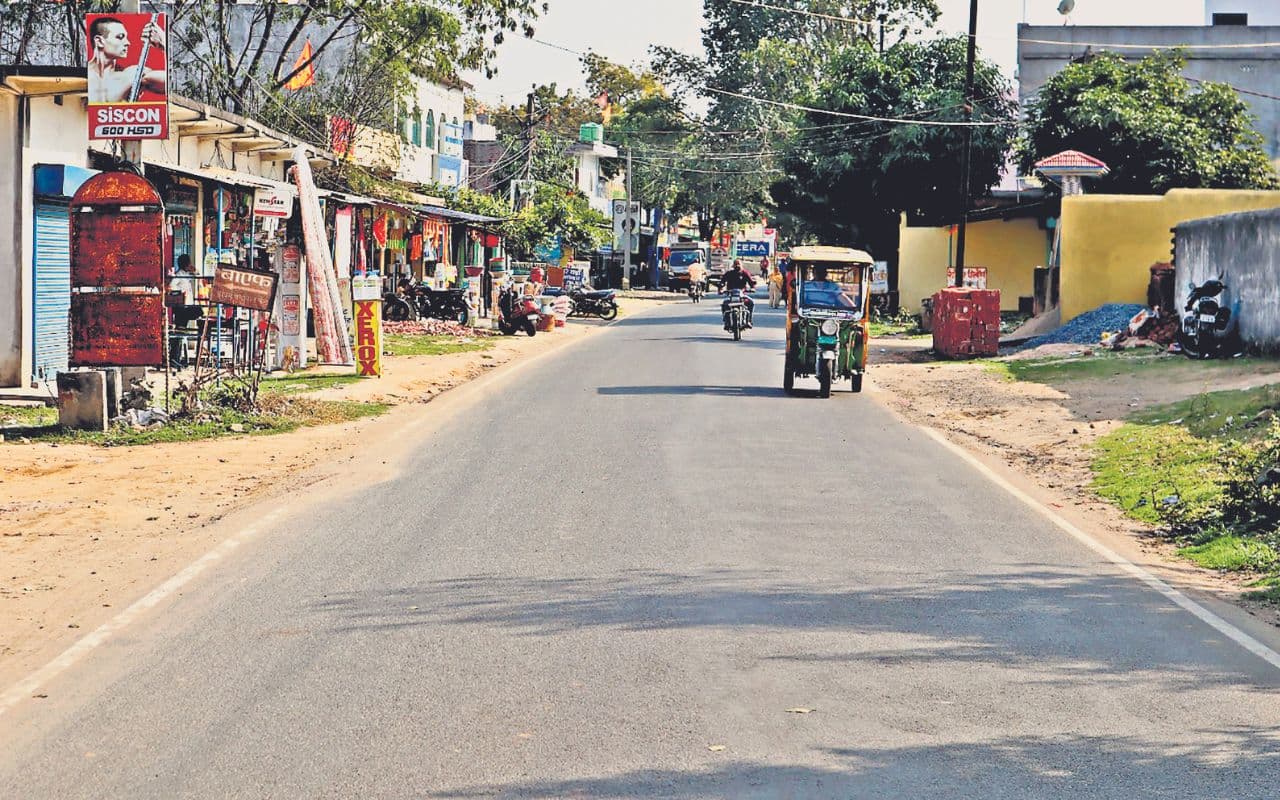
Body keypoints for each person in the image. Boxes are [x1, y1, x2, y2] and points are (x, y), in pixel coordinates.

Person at [87, 16, 166, 103]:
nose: (127, 43)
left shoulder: (132, 75)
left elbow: (171, 83)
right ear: (99, 41)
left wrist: (164, 42)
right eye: (120, 37)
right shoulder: (82, 74)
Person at [720, 259, 757, 328]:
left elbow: (751, 282)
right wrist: (721, 288)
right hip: (731, 295)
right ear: (733, 265)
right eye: (736, 264)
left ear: (741, 265)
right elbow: (722, 281)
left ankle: (749, 320)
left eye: (738, 264)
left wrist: (752, 288)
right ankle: (726, 321)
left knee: (751, 302)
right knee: (724, 304)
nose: (737, 266)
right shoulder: (729, 273)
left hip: (741, 295)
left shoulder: (745, 273)